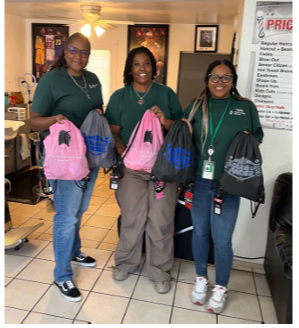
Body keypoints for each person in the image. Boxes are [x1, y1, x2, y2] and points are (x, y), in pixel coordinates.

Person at [182, 59, 264, 313]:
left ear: (233, 81)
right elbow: (182, 138)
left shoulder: (245, 107)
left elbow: (258, 137)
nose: (220, 82)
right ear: (207, 80)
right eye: (214, 77)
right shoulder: (195, 107)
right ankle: (201, 278)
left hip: (228, 186)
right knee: (199, 233)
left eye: (226, 77)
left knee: (222, 240)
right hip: (199, 182)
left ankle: (221, 286)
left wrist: (249, 142)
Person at [30, 32, 104, 303]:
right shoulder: (51, 80)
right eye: (74, 50)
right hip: (66, 159)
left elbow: (96, 111)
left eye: (85, 52)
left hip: (90, 157)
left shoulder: (93, 80)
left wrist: (99, 114)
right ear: (65, 50)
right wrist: (55, 119)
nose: (79, 56)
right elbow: (33, 122)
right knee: (65, 216)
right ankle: (62, 275)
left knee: (80, 209)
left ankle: (74, 251)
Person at [104, 46, 183, 294]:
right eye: (136, 64)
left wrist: (164, 121)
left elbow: (180, 130)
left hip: (164, 171)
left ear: (154, 68)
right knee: (132, 218)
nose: (142, 68)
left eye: (147, 63)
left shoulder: (167, 94)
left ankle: (159, 271)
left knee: (160, 221)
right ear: (130, 68)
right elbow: (113, 132)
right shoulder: (119, 96)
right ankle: (126, 262)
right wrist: (121, 148)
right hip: (132, 170)